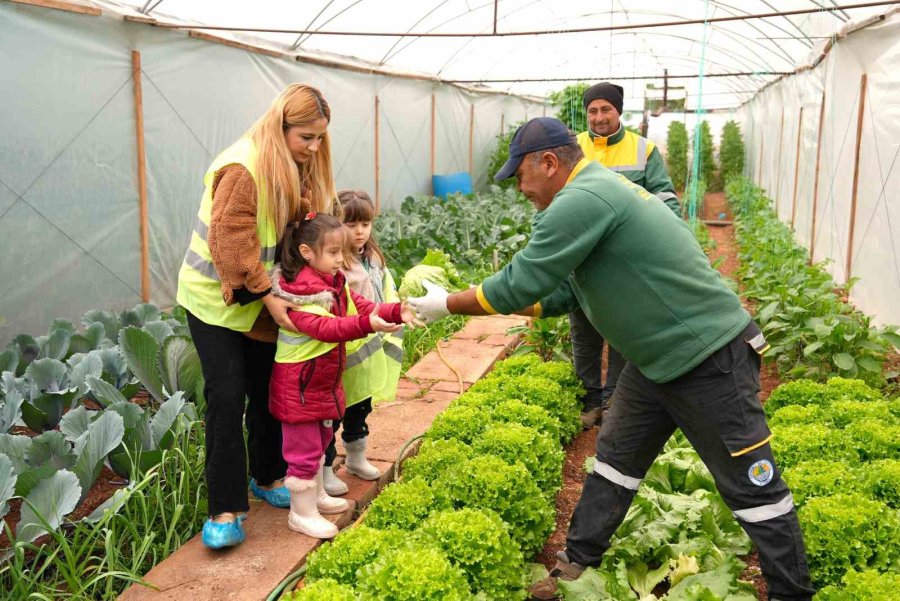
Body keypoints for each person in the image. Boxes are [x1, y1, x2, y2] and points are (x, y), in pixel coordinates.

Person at [408, 117, 815, 601]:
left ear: (549, 162)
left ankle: (793, 594)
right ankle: (578, 563)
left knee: (753, 488)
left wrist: (447, 303)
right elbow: (557, 296)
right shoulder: (593, 192)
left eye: (520, 175)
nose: (520, 188)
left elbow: (518, 283)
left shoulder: (582, 199)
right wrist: (484, 299)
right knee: (615, 461)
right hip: (657, 360)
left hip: (707, 357)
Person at [176, 84, 339, 549]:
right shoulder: (243, 166)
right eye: (306, 137)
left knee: (271, 387)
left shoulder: (291, 165)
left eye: (319, 138)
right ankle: (224, 508)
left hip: (261, 294)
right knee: (227, 396)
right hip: (215, 298)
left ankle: (267, 477)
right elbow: (232, 243)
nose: (313, 147)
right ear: (281, 125)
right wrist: (272, 300)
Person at [269, 211, 413, 538]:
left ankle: (316, 497)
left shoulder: (331, 281)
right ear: (308, 253)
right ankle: (301, 513)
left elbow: (360, 305)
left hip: (321, 383)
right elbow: (326, 328)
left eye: (342, 253)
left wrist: (397, 310)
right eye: (334, 253)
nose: (340, 260)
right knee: (303, 450)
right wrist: (369, 324)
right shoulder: (300, 291)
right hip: (300, 387)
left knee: (320, 441)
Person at [572, 82, 681, 429]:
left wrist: (668, 233)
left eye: (606, 109)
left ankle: (615, 398)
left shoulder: (643, 150)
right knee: (584, 331)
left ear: (619, 111)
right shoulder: (571, 147)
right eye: (593, 110)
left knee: (623, 330)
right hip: (584, 255)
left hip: (627, 259)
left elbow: (664, 195)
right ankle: (589, 399)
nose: (599, 117)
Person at [321, 190, 404, 496]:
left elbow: (384, 293)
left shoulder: (373, 258)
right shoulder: (334, 262)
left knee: (361, 405)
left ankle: (356, 457)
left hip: (369, 348)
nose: (359, 231)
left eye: (365, 224)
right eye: (351, 223)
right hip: (343, 348)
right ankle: (326, 467)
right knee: (333, 410)